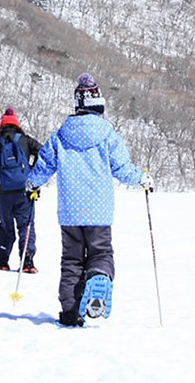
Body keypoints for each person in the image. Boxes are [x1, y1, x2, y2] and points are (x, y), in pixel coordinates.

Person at [26, 73, 152, 327]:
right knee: (101, 252)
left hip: (70, 212)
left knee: (71, 260)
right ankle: (99, 275)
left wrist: (32, 184)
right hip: (99, 210)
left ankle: (70, 311)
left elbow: (43, 166)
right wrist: (143, 179)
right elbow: (122, 168)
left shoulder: (61, 135)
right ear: (99, 106)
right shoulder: (108, 135)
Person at [0, 107, 42, 272]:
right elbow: (43, 152)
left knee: (5, 225)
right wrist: (31, 169)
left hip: (5, 192)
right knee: (25, 225)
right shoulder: (24, 140)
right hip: (24, 191)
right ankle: (27, 262)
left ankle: (1, 261)